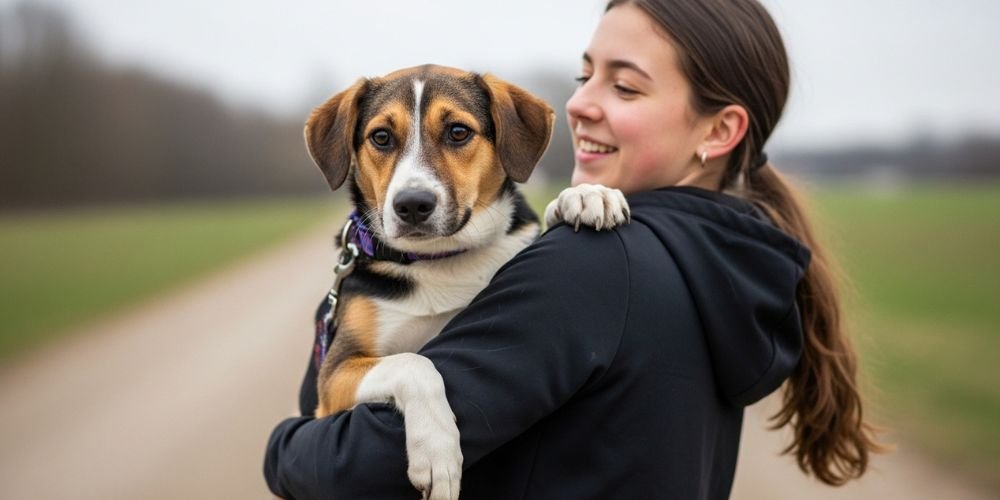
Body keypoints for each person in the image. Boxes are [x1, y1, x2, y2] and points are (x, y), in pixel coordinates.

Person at [264, 0, 884, 498]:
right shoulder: (724, 260)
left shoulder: (590, 265)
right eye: (586, 75)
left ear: (719, 130)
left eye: (626, 87)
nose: (580, 104)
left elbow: (347, 468)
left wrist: (284, 448)